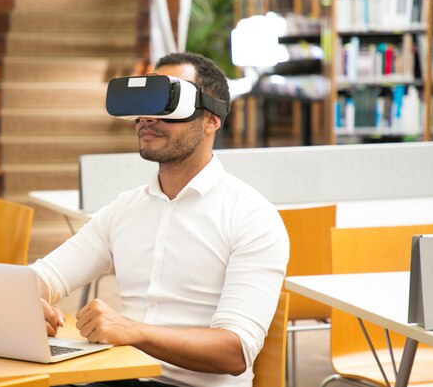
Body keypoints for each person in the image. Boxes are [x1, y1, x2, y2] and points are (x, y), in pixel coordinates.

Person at [30, 52, 289, 387]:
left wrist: (133, 332)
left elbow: (235, 352)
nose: (147, 118)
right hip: (123, 374)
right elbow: (45, 277)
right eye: (145, 103)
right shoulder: (124, 209)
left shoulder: (252, 218)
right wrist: (26, 302)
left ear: (211, 119)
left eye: (167, 104)